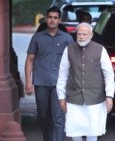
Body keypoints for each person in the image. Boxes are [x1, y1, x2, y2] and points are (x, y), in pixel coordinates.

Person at [56, 22, 115, 141]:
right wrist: (61, 97)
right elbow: (62, 75)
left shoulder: (100, 49)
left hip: (95, 98)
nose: (81, 37)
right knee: (75, 131)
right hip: (74, 98)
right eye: (79, 34)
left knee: (93, 131)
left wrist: (109, 96)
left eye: (84, 34)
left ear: (91, 35)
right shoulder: (69, 49)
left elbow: (109, 74)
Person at [25, 6, 74, 141]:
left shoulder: (67, 39)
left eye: (55, 18)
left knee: (58, 117)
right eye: (50, 17)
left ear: (60, 20)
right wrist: (28, 82)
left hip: (60, 84)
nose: (52, 20)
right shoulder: (37, 38)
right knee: (43, 116)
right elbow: (29, 60)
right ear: (46, 19)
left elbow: (73, 62)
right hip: (41, 82)